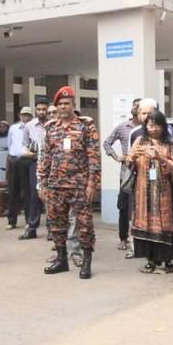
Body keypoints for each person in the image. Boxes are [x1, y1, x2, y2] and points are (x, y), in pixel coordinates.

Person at [40, 86, 100, 279]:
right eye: (60, 104)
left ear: (73, 105)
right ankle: (61, 259)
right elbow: (45, 157)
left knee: (84, 224)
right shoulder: (51, 127)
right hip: (56, 185)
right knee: (56, 224)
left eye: (67, 103)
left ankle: (86, 261)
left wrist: (92, 184)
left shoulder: (86, 126)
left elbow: (94, 157)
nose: (63, 107)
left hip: (79, 185)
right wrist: (42, 183)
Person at [126, 111, 173, 273]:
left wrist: (159, 158)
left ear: (163, 126)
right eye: (150, 125)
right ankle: (150, 261)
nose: (154, 129)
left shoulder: (170, 142)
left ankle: (167, 261)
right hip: (142, 191)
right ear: (146, 126)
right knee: (146, 223)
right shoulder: (140, 140)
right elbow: (129, 161)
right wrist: (133, 157)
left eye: (157, 125)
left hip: (163, 191)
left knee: (165, 224)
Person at [104, 98, 143, 251]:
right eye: (134, 105)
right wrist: (116, 157)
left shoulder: (147, 128)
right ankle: (123, 238)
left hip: (144, 172)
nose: (135, 107)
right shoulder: (122, 127)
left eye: (139, 106)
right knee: (124, 206)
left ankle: (140, 240)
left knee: (141, 206)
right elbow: (107, 143)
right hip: (126, 173)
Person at [19, 99, 48, 240]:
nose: (41, 112)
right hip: (35, 162)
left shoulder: (53, 124)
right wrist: (28, 153)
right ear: (35, 110)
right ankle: (32, 228)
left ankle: (52, 229)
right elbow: (24, 144)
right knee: (34, 194)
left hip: (52, 163)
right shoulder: (29, 126)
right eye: (39, 109)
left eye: (44, 109)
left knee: (51, 195)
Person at [6, 107, 34, 232]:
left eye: (28, 115)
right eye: (23, 115)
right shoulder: (13, 128)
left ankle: (29, 220)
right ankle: (11, 220)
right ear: (19, 115)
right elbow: (9, 144)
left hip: (27, 160)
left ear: (31, 116)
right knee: (13, 191)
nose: (25, 117)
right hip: (14, 160)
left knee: (27, 191)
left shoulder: (33, 128)